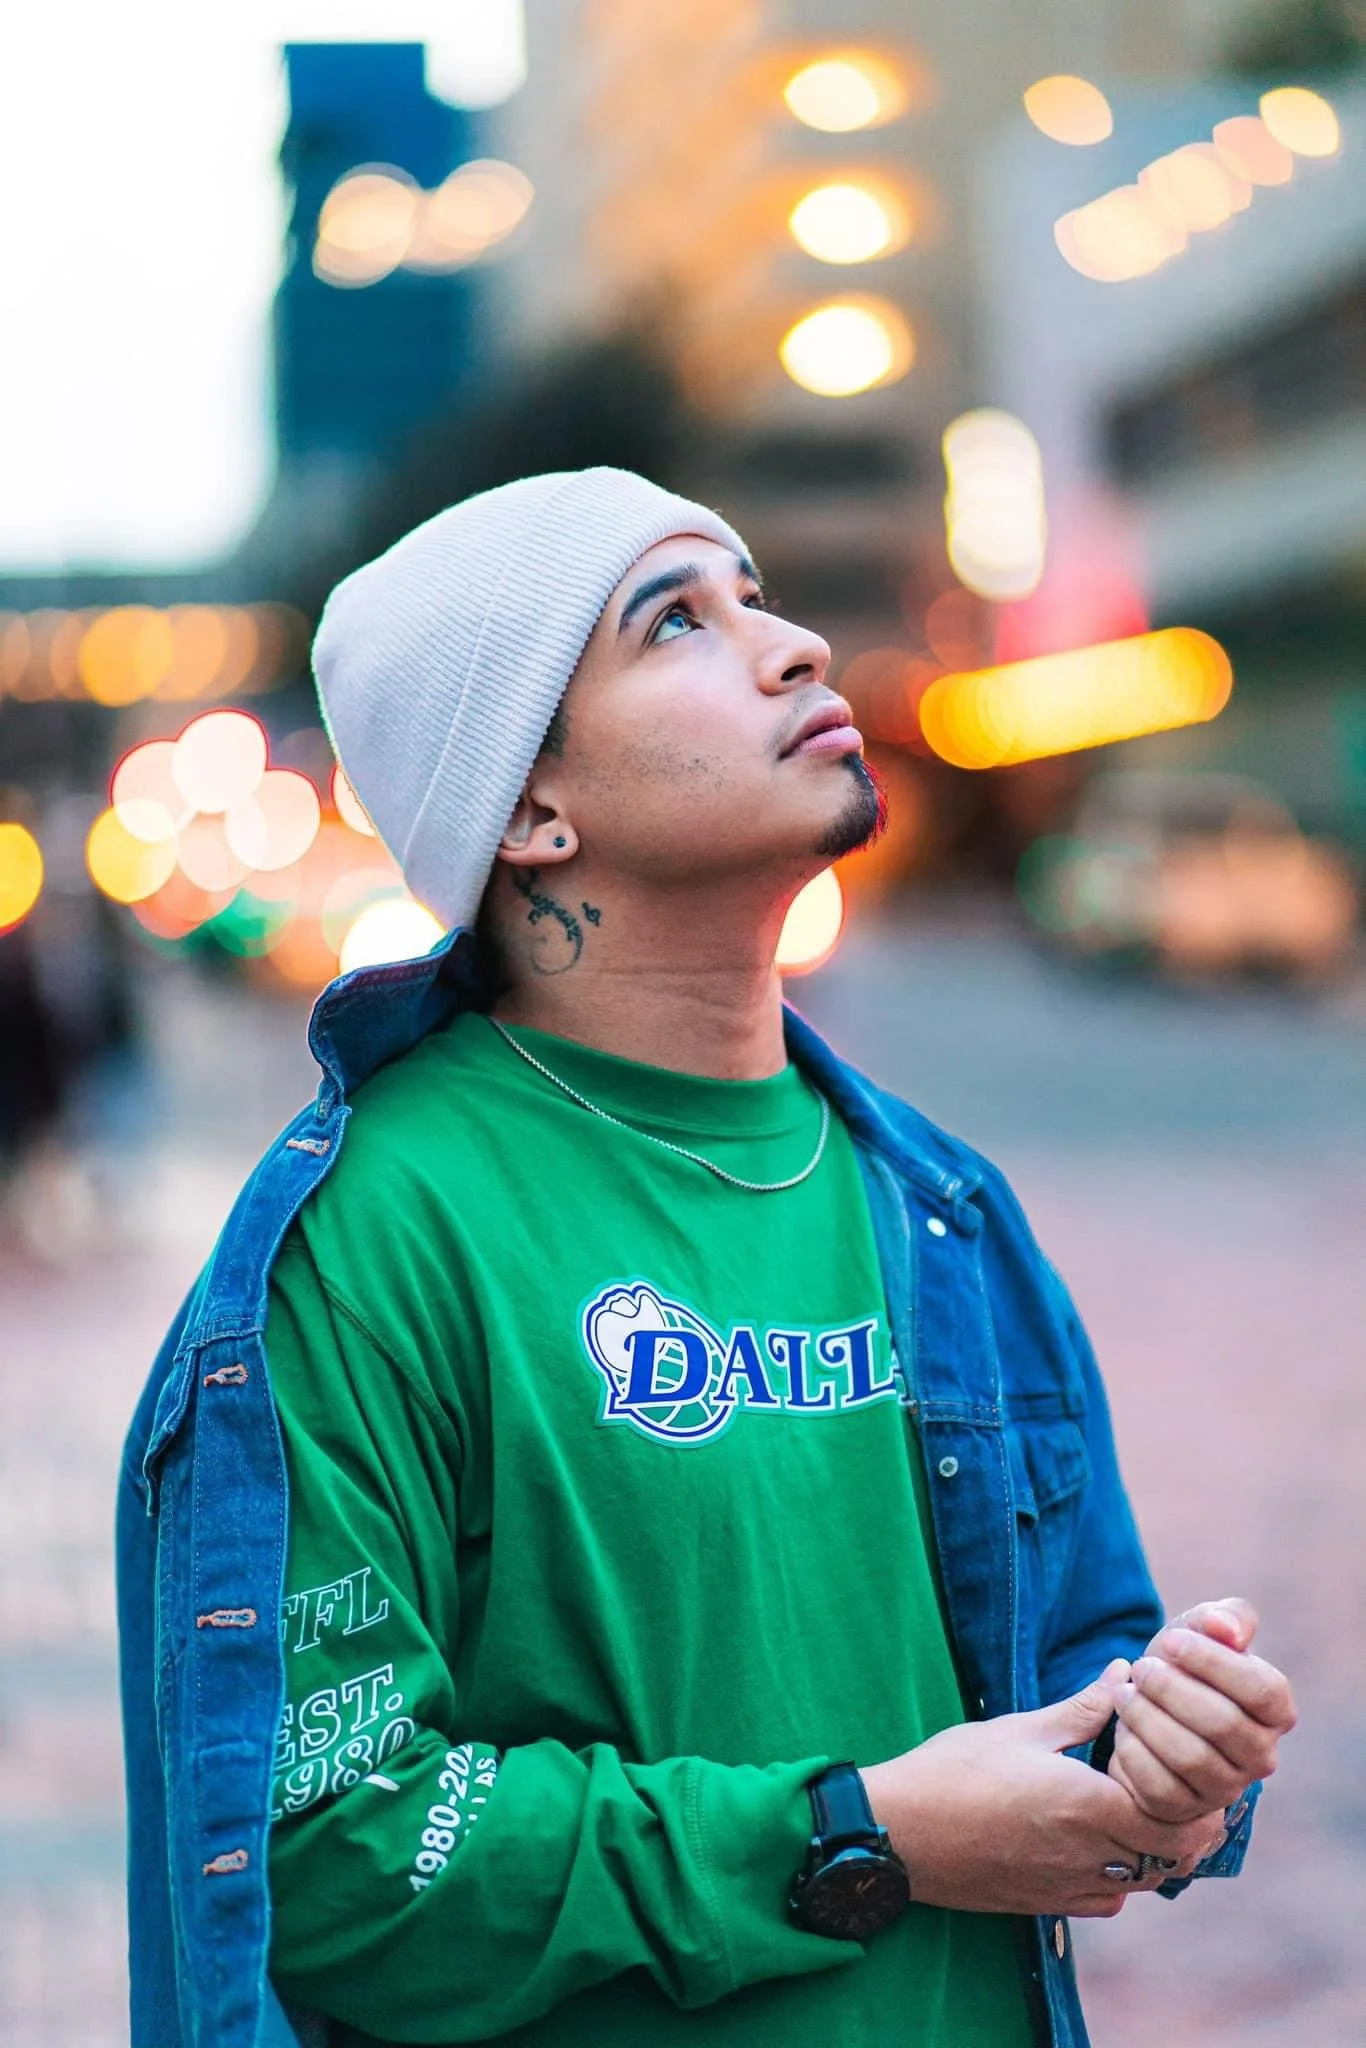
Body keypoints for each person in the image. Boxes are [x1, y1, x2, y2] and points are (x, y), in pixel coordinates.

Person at [117, 468, 1296, 2048]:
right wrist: (847, 1835)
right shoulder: (372, 1241)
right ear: (528, 812)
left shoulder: (938, 1210)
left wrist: (1164, 1761)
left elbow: (1078, 1686)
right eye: (675, 620)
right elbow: (330, 1860)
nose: (794, 645)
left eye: (755, 592)